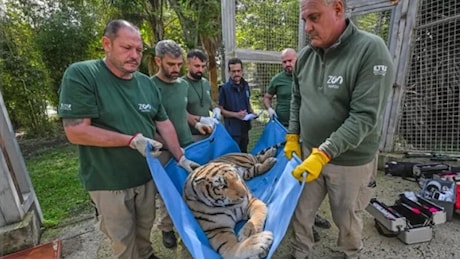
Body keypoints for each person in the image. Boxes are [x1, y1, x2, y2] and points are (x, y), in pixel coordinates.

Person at [57, 20, 199, 259]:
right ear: (106, 44)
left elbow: (163, 123)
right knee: (123, 240)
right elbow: (76, 131)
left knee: (144, 229)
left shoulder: (145, 83)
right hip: (108, 180)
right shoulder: (83, 74)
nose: (134, 55)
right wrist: (131, 140)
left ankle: (146, 254)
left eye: (139, 50)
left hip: (145, 176)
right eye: (126, 48)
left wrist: (180, 157)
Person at [284, 0, 395, 258]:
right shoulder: (305, 57)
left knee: (346, 218)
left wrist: (323, 154)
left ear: (337, 8)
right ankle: (301, 250)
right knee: (301, 211)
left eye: (314, 17)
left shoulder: (370, 50)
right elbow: (297, 99)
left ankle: (349, 253)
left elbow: (364, 117)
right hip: (308, 151)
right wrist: (292, 135)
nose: (308, 27)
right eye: (304, 21)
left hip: (349, 160)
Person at [263, 48, 331, 242]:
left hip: (308, 135)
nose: (287, 64)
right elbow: (267, 96)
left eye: (290, 60)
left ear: (297, 59)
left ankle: (308, 218)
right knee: (288, 176)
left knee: (309, 181)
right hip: (284, 133)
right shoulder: (277, 80)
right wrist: (269, 109)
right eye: (284, 62)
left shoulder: (309, 76)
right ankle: (292, 219)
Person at [150, 40, 205, 249]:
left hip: (187, 144)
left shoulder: (182, 85)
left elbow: (182, 111)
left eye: (179, 65)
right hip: (164, 150)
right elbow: (150, 123)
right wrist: (170, 147)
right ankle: (167, 228)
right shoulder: (149, 86)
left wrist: (197, 124)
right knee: (168, 193)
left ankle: (191, 226)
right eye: (171, 64)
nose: (176, 69)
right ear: (158, 61)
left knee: (192, 186)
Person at [183, 49, 221, 141]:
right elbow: (179, 111)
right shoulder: (181, 84)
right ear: (187, 64)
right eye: (197, 66)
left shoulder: (205, 83)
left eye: (203, 66)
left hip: (208, 133)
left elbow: (208, 101)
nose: (200, 69)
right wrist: (200, 120)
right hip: (191, 136)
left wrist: (216, 109)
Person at [218, 57, 255, 153]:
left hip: (245, 128)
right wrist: (236, 115)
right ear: (229, 72)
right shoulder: (224, 89)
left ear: (242, 71)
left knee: (244, 153)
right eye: (233, 71)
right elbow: (220, 110)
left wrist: (251, 112)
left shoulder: (246, 85)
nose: (236, 74)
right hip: (232, 130)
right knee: (233, 155)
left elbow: (247, 101)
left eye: (238, 71)